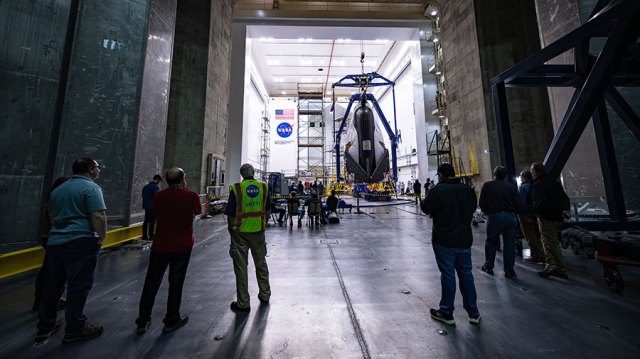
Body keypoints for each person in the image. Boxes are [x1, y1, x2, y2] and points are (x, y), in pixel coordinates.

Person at [36, 158, 107, 344]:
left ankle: (45, 326)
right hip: (80, 241)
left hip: (56, 241)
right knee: (78, 286)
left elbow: (51, 214)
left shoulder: (59, 189)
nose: (99, 171)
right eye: (98, 167)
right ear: (91, 169)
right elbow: (98, 215)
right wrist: (101, 237)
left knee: (53, 286)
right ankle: (75, 328)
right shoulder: (92, 188)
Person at [135, 168, 201, 334]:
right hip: (182, 245)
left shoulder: (159, 195)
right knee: (176, 281)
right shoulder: (191, 196)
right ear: (183, 179)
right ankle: (172, 318)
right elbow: (198, 211)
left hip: (160, 245)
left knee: (151, 281)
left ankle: (143, 320)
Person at [421, 163, 480, 326]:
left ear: (440, 174)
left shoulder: (438, 190)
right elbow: (473, 208)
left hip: (444, 239)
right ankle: (473, 313)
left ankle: (446, 312)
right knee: (466, 274)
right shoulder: (467, 190)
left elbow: (426, 209)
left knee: (448, 274)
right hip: (464, 239)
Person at [224, 164, 271, 312]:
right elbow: (268, 210)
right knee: (261, 263)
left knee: (241, 267)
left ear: (242, 174)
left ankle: (243, 302)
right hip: (258, 231)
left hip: (240, 232)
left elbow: (230, 214)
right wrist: (262, 224)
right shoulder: (264, 187)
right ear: (253, 173)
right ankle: (265, 294)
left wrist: (232, 230)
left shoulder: (237, 188)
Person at [33, 176, 70, 313]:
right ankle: (44, 302)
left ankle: (41, 300)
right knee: (52, 273)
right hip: (53, 237)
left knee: (47, 270)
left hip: (49, 237)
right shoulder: (57, 201)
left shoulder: (52, 198)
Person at [478, 166, 523, 278]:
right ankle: (509, 270)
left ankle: (489, 266)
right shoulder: (511, 187)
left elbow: (482, 202)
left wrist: (488, 212)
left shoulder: (487, 186)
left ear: (494, 174)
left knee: (491, 241)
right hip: (510, 216)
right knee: (509, 244)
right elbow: (519, 203)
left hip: (495, 215)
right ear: (505, 175)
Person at [531, 162, 570, 279]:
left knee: (551, 243)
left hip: (546, 218)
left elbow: (540, 202)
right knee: (547, 241)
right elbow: (565, 199)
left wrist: (539, 212)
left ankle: (560, 268)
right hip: (557, 217)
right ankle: (551, 265)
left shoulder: (538, 185)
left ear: (535, 172)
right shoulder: (555, 183)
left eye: (532, 171)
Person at [518, 170, 545, 264]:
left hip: (526, 215)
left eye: (521, 176)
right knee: (538, 236)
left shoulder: (523, 187)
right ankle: (543, 254)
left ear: (524, 177)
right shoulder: (536, 185)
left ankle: (536, 256)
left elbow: (521, 202)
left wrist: (520, 212)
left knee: (530, 237)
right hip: (537, 214)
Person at [141, 174, 162, 241]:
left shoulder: (145, 187)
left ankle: (144, 236)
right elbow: (158, 198)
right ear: (157, 179)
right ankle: (151, 236)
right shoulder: (156, 187)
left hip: (146, 207)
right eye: (159, 180)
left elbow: (143, 196)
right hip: (153, 207)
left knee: (146, 221)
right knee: (152, 222)